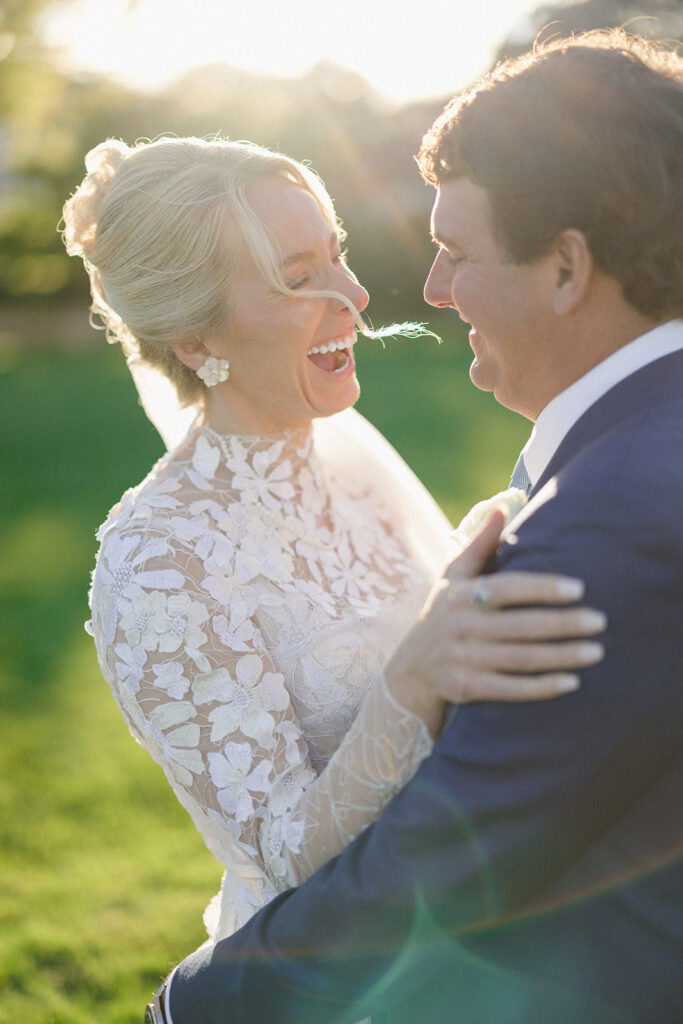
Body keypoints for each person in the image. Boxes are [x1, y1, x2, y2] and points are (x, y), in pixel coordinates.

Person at [163, 29, 683, 1024]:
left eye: (455, 252)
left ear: (566, 268)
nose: (431, 291)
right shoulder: (632, 447)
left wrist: (195, 1003)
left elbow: (451, 861)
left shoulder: (606, 524)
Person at [61, 138, 603, 971]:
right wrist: (416, 677)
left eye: (337, 256)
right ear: (193, 331)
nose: (352, 297)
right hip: (327, 976)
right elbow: (283, 855)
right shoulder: (161, 565)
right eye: (297, 277)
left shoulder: (346, 466)